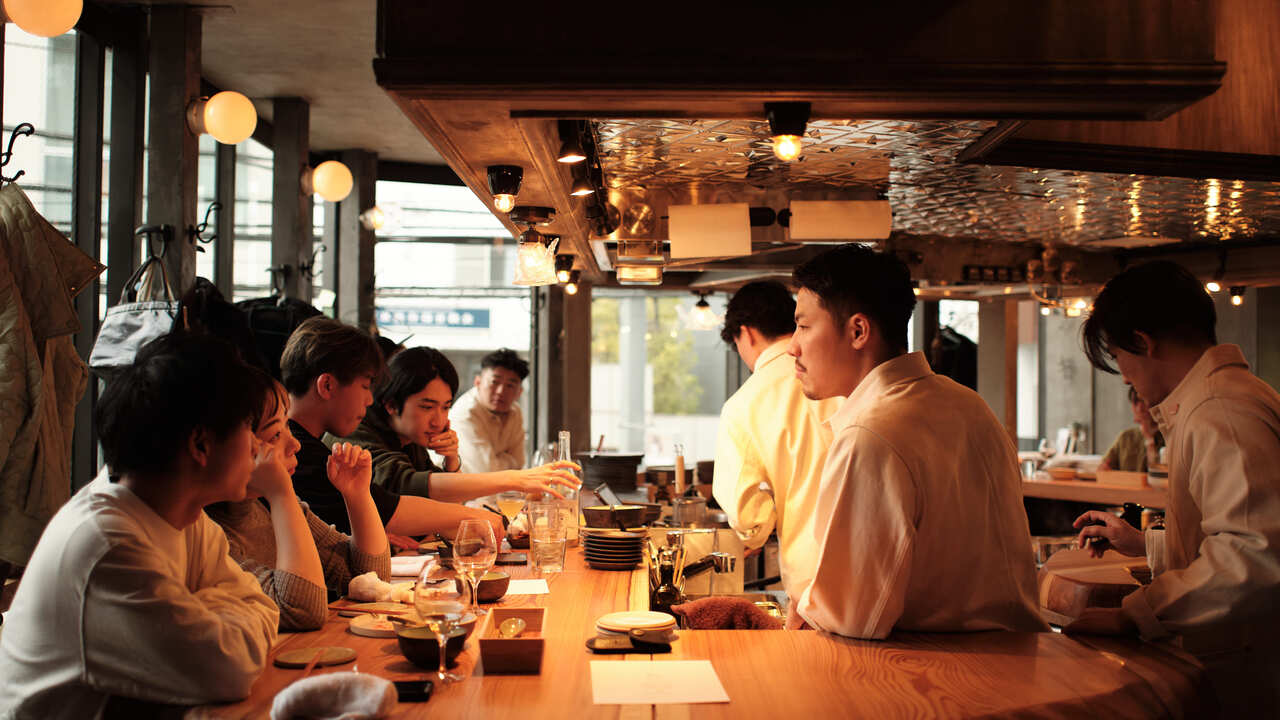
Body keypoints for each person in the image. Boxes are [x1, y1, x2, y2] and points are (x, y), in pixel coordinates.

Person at [0, 334, 279, 718]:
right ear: (200, 444)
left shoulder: (185, 517)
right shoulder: (108, 544)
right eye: (248, 427)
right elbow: (231, 667)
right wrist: (210, 610)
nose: (257, 446)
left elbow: (262, 605)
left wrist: (205, 611)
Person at [786, 243, 1045, 638]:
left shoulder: (870, 435)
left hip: (942, 669)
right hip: (1022, 656)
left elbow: (852, 618)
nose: (792, 346)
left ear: (858, 331)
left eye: (804, 326)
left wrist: (805, 606)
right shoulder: (969, 404)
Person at [1070, 261, 1280, 713]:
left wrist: (1136, 613)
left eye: (1118, 357)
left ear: (1142, 342)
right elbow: (1234, 534)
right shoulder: (1220, 399)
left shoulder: (1220, 410)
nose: (1125, 376)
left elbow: (1253, 555)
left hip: (1244, 672)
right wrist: (1145, 543)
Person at [281, 318, 505, 543]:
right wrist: (501, 490)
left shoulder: (307, 444)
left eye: (446, 407)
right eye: (366, 386)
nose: (370, 400)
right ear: (327, 385)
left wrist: (452, 462)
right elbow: (391, 505)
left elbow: (398, 510)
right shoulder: (302, 452)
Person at [206, 376, 391, 631]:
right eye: (275, 434)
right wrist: (281, 494)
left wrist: (358, 494)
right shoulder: (209, 530)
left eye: (287, 427)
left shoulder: (265, 503)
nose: (295, 444)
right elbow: (301, 611)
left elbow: (371, 580)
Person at [711, 281, 841, 600]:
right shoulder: (843, 378)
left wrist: (758, 525)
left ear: (746, 333)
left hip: (810, 577)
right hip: (875, 566)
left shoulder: (744, 405)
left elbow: (750, 520)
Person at [342, 346, 580, 502]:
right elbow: (407, 485)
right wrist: (516, 478)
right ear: (391, 404)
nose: (439, 421)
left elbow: (445, 499)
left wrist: (452, 460)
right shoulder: (356, 432)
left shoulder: (410, 438)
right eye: (427, 407)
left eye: (445, 407)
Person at [449, 348, 529, 473]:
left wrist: (498, 461)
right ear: (477, 382)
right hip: (457, 484)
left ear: (519, 392)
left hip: (498, 485)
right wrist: (507, 459)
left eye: (510, 385)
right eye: (494, 382)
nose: (500, 391)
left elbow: (519, 463)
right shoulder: (465, 413)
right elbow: (485, 470)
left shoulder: (515, 411)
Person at [1098, 385, 1164, 472]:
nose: (1140, 408)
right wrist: (1104, 469)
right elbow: (1104, 466)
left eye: (1143, 401)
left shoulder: (1168, 436)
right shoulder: (1126, 437)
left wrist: (1149, 439)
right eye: (1135, 402)